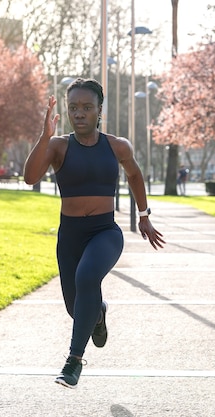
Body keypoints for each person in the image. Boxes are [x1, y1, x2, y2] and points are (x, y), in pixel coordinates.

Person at [24, 78, 165, 389]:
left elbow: (135, 174)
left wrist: (144, 216)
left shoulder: (117, 146)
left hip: (105, 232)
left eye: (87, 107)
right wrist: (45, 136)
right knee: (77, 310)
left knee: (87, 277)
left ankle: (73, 361)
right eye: (73, 108)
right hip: (70, 236)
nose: (79, 113)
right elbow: (29, 176)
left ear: (99, 110)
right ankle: (98, 314)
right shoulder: (58, 146)